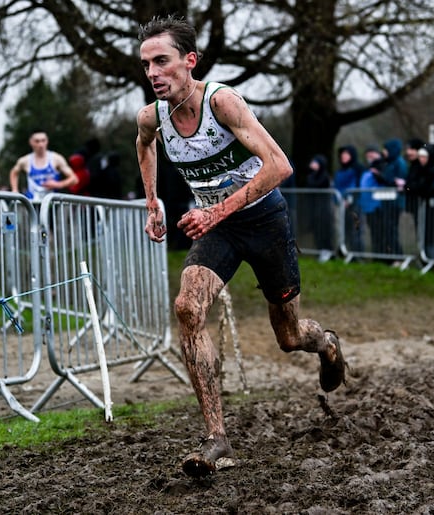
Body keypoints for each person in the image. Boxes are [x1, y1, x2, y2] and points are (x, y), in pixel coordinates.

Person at [135, 15, 345, 478]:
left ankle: (327, 344)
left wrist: (215, 209)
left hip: (264, 218)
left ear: (189, 61)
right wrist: (154, 203)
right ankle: (217, 440)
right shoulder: (152, 115)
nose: (153, 72)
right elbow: (144, 145)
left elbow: (280, 165)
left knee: (289, 337)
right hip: (218, 227)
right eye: (147, 63)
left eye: (162, 61)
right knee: (188, 308)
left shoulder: (223, 102)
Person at [405, 143, 434, 262]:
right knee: (425, 234)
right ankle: (427, 260)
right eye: (420, 157)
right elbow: (408, 187)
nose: (421, 160)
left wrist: (416, 188)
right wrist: (415, 188)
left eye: (424, 157)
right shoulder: (417, 169)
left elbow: (427, 189)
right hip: (424, 209)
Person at [9, 129, 78, 201]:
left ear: (47, 141)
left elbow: (74, 179)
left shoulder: (56, 158)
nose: (41, 144)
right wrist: (14, 190)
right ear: (31, 142)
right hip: (33, 204)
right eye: (37, 141)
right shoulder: (25, 161)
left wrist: (58, 184)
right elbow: (14, 172)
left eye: (43, 140)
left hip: (52, 205)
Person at [333, 145, 365, 253]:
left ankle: (357, 253)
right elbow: (336, 187)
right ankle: (345, 251)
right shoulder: (339, 171)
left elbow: (356, 186)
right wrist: (338, 200)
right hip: (341, 204)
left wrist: (348, 198)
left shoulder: (358, 169)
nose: (343, 156)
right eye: (342, 154)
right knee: (344, 229)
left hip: (355, 204)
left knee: (356, 229)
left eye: (346, 154)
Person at [305, 154, 334, 262]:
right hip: (314, 208)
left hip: (324, 208)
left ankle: (328, 250)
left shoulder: (324, 176)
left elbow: (316, 184)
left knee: (325, 231)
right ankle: (320, 250)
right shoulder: (311, 175)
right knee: (317, 231)